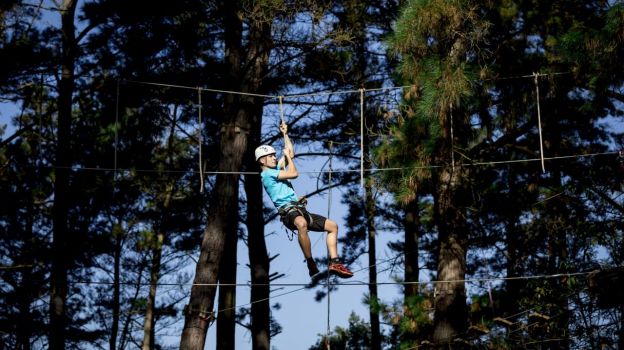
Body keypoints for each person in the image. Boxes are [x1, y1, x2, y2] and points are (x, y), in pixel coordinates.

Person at [255, 122, 353, 279]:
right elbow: (293, 173)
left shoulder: (275, 170)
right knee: (301, 224)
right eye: (270, 156)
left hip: (299, 208)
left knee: (333, 226)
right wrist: (287, 158)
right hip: (289, 213)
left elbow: (290, 153)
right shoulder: (267, 175)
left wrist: (285, 134)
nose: (274, 157)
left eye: (274, 155)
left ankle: (335, 262)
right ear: (262, 161)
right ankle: (310, 262)